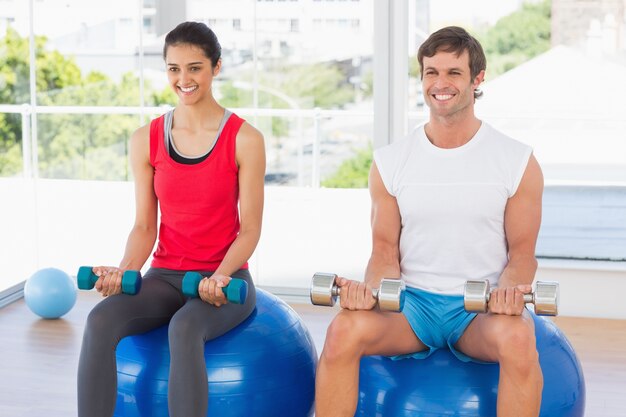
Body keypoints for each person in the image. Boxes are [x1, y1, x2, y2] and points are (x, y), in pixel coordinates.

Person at [315, 26, 544, 417]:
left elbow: (522, 254)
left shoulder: (517, 160)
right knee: (342, 330)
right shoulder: (391, 160)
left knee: (520, 340)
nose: (440, 83)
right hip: (411, 308)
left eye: (453, 72)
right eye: (430, 72)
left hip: (479, 311)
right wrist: (369, 292)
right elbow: (384, 250)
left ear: (477, 78)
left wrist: (508, 295)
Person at [77, 21, 265, 417]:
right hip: (164, 277)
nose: (184, 79)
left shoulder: (244, 139)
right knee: (99, 320)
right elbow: (145, 225)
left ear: (216, 67)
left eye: (195, 67)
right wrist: (124, 271)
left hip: (226, 278)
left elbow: (250, 229)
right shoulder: (145, 138)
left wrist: (221, 275)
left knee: (185, 328)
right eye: (174, 69)